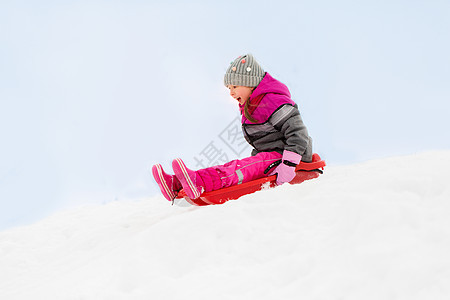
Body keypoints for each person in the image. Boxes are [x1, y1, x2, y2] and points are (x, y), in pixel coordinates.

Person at [152, 54, 313, 201]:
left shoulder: (272, 101)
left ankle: (199, 182)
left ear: (249, 83)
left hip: (287, 156)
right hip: (272, 156)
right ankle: (176, 184)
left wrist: (289, 165)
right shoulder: (252, 107)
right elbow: (264, 141)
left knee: (239, 169)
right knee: (238, 165)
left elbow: (298, 133)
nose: (231, 92)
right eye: (229, 88)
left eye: (235, 87)